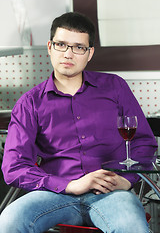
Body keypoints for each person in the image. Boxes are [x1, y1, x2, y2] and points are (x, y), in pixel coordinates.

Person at [0, 12, 157, 233]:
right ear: (49, 47)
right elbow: (14, 167)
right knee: (8, 222)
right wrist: (69, 185)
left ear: (90, 53)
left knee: (132, 227)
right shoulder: (29, 103)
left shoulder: (115, 87)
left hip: (112, 194)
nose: (68, 54)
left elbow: (144, 143)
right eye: (61, 44)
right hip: (54, 194)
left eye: (78, 47)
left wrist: (127, 180)